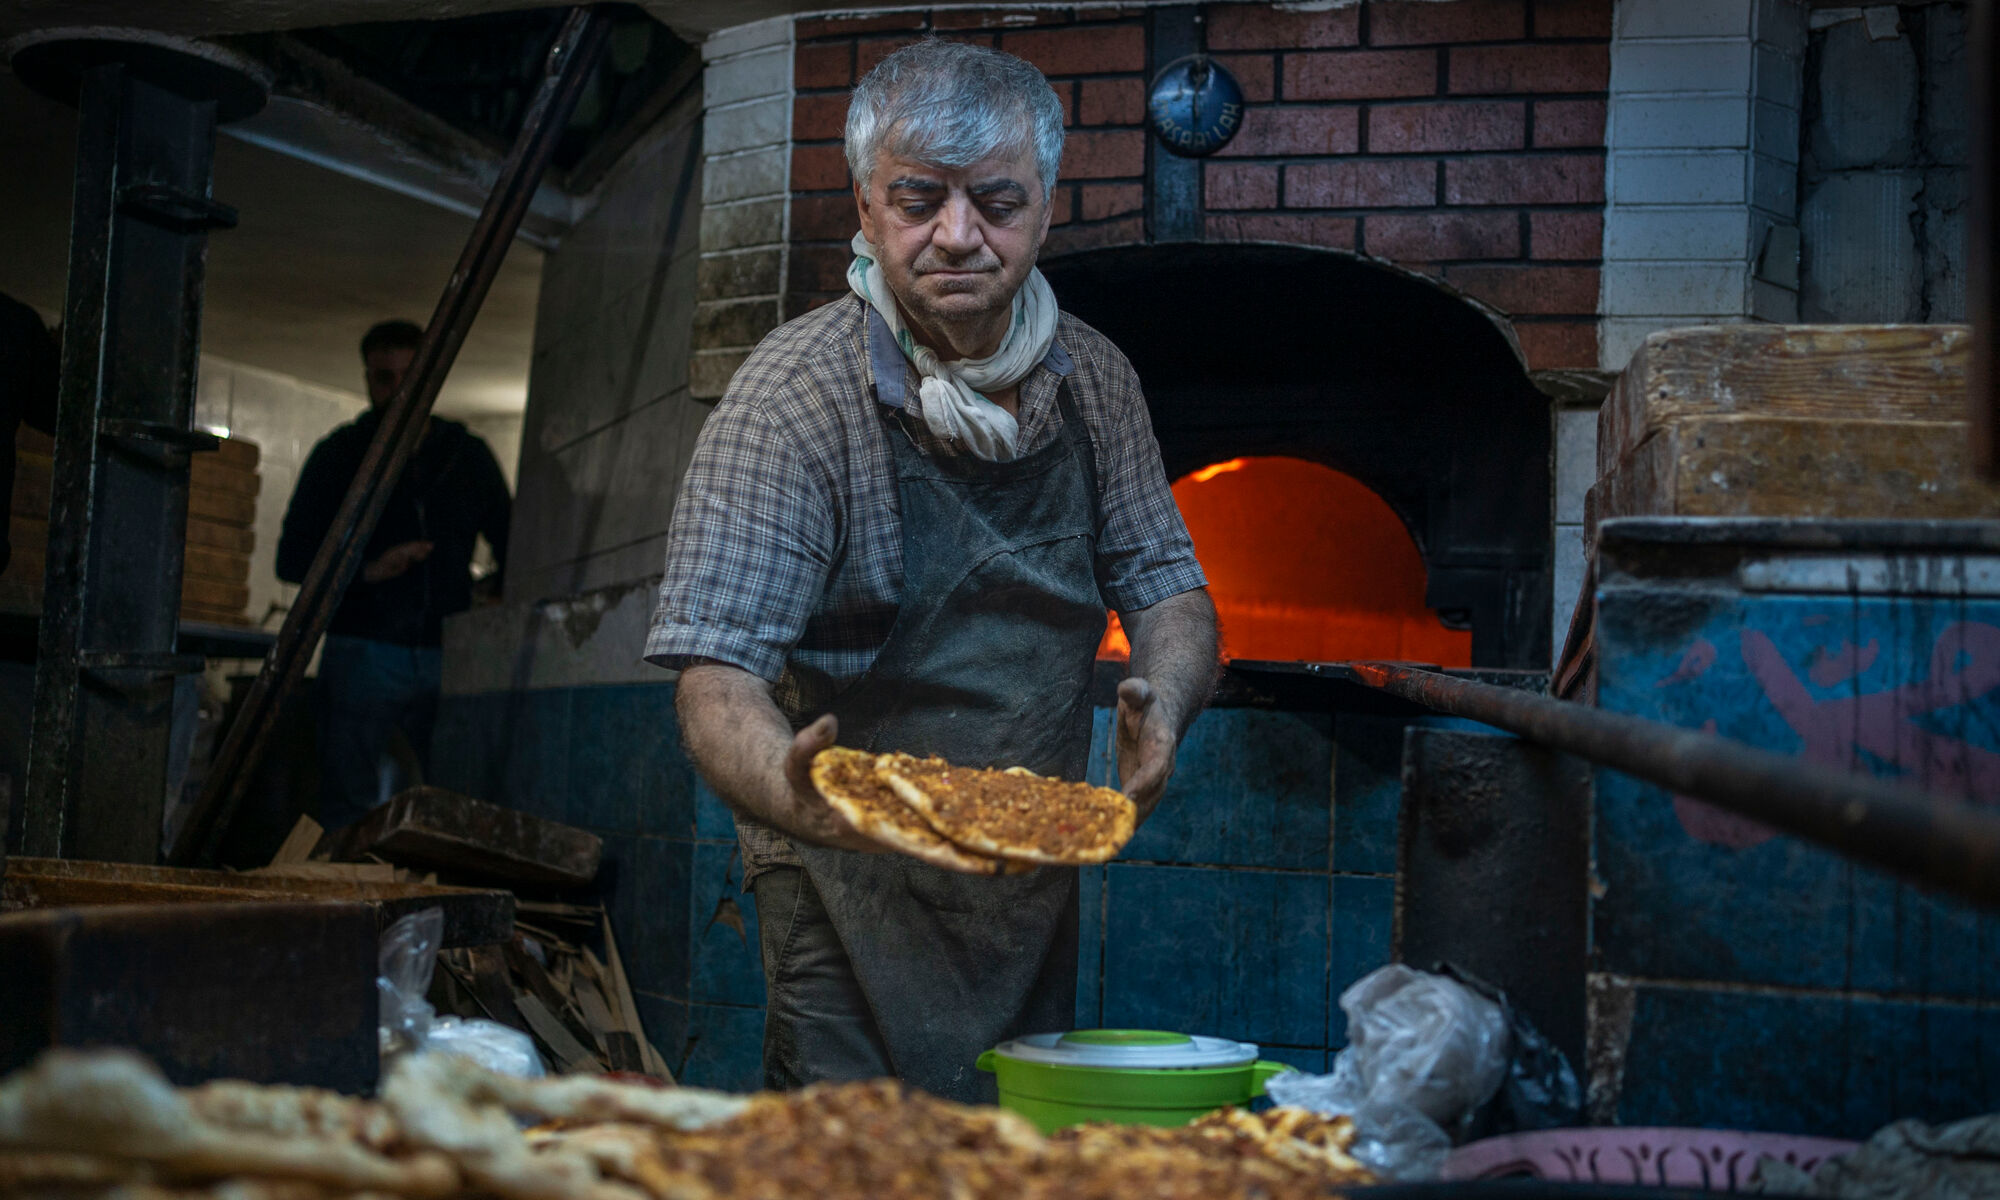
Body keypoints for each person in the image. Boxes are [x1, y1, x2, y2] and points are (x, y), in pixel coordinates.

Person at [647, 40, 1220, 1103]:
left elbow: (1167, 587)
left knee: (998, 1142)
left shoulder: (1093, 382)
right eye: (918, 201)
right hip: (838, 862)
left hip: (1019, 864)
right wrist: (794, 790)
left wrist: (1167, 709)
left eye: (995, 201)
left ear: (1045, 204)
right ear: (865, 209)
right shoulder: (794, 399)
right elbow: (716, 678)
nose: (957, 236)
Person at [277, 319, 512, 830]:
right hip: (364, 648)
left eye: (410, 377)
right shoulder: (339, 457)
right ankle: (349, 900)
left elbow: (513, 541)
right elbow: (292, 558)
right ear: (367, 380)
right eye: (385, 378)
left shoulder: (465, 457)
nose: (399, 391)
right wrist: (367, 572)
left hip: (450, 652)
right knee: (348, 804)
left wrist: (488, 597)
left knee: (455, 803)